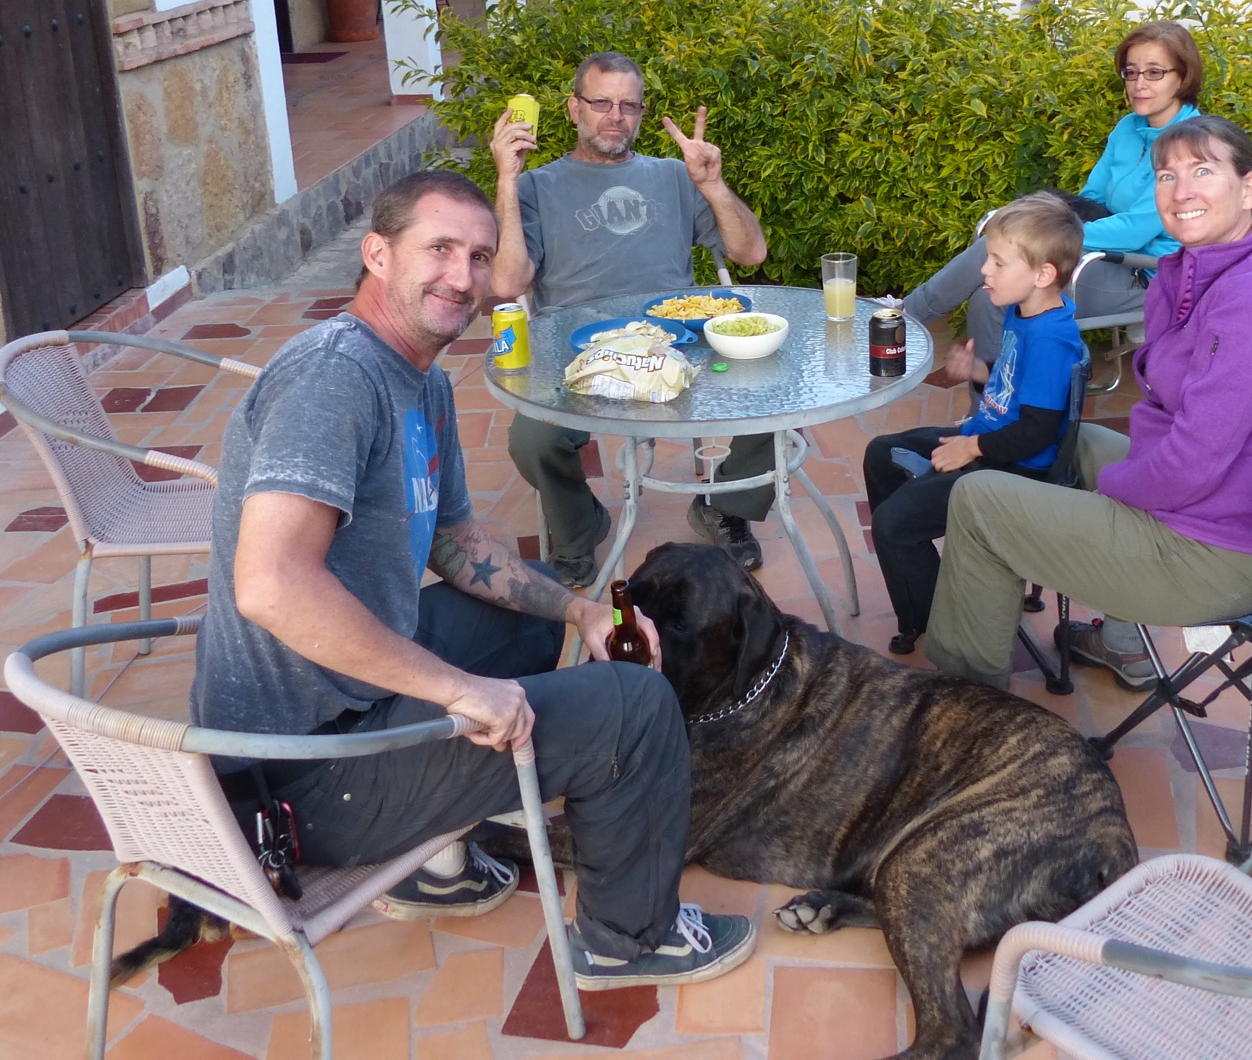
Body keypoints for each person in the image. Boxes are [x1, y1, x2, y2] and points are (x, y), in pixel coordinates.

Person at [190, 169, 754, 990]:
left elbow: (456, 543)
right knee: (634, 709)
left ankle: (439, 860)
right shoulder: (333, 379)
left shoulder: (418, 379)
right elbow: (270, 585)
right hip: (296, 774)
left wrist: (580, 609)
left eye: (480, 256)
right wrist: (458, 690)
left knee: (527, 626)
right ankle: (630, 937)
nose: (463, 276)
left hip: (351, 705)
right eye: (440, 249)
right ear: (378, 254)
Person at [921, 116, 1252, 691]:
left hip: (1221, 552)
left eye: (1202, 171)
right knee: (1078, 441)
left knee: (978, 499)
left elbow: (1192, 461)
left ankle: (966, 702)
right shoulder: (1207, 271)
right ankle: (1121, 644)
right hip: (1234, 509)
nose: (1181, 190)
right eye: (1166, 175)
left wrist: (1119, 491)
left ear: (1249, 187)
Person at [491, 51, 772, 583]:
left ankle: (725, 506)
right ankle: (578, 527)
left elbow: (750, 253)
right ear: (574, 109)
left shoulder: (673, 175)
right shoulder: (537, 188)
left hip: (680, 341)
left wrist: (711, 184)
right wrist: (507, 179)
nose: (615, 116)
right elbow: (507, 283)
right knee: (533, 440)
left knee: (780, 390)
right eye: (601, 103)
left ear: (641, 114)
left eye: (629, 105)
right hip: (579, 350)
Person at [898, 21, 1203, 367]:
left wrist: (1046, 235)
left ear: (1183, 76)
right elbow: (1091, 199)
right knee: (989, 296)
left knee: (1003, 244)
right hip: (1099, 255)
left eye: (1154, 73)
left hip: (1144, 277)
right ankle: (991, 409)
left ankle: (901, 316)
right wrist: (1049, 229)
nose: (1139, 84)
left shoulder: (1189, 145)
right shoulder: (1127, 128)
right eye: (1130, 73)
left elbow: (1136, 232)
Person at [863, 195, 1086, 655]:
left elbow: (1038, 431)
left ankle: (939, 628)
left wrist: (972, 449)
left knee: (892, 524)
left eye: (999, 263)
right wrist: (980, 373)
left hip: (1014, 473)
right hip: (987, 446)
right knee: (881, 453)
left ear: (1043, 274)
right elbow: (1016, 388)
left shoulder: (1051, 337)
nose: (984, 270)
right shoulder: (1022, 313)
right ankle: (923, 583)